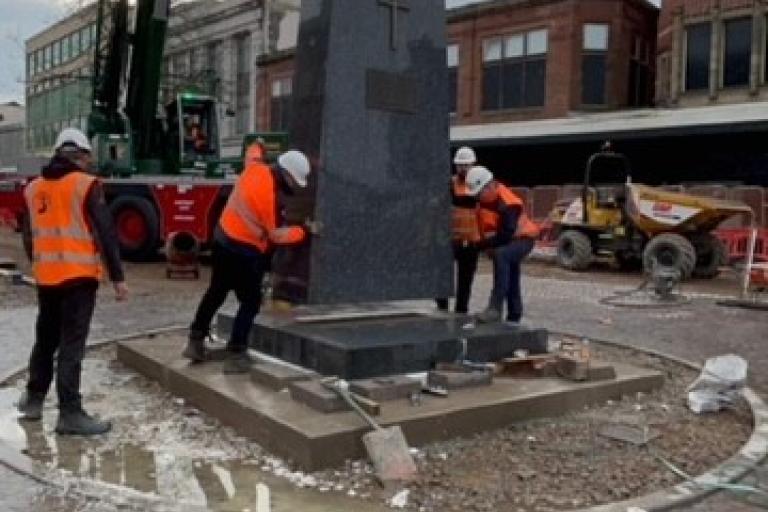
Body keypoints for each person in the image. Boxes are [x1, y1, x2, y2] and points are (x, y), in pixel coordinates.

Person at [17, 127, 128, 436]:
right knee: (71, 345)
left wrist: (40, 264)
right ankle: (70, 413)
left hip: (47, 278)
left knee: (46, 338)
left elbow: (28, 235)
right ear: (80, 155)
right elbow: (106, 231)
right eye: (88, 156)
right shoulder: (86, 185)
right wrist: (117, 277)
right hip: (78, 278)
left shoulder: (32, 188)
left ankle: (33, 400)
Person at [183, 147, 313, 373]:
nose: (293, 187)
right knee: (251, 301)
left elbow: (252, 152)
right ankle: (237, 352)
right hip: (243, 251)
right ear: (286, 174)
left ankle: (195, 340)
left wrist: (259, 147)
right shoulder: (268, 197)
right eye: (293, 182)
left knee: (216, 291)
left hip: (222, 240)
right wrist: (303, 231)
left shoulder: (254, 168)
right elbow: (275, 235)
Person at [465, 166, 539, 325]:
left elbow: (506, 234)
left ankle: (495, 308)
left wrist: (483, 245)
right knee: (510, 271)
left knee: (503, 255)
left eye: (479, 193)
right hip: (511, 241)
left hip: (523, 239)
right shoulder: (486, 200)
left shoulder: (508, 203)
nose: (477, 197)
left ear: (489, 186)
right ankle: (514, 314)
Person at [436, 146, 481, 314]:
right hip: (451, 240)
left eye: (466, 165)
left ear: (473, 165)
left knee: (465, 280)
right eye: (460, 165)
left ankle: (461, 311)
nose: (463, 168)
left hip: (471, 241)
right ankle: (442, 308)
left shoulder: (479, 183)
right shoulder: (449, 184)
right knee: (442, 277)